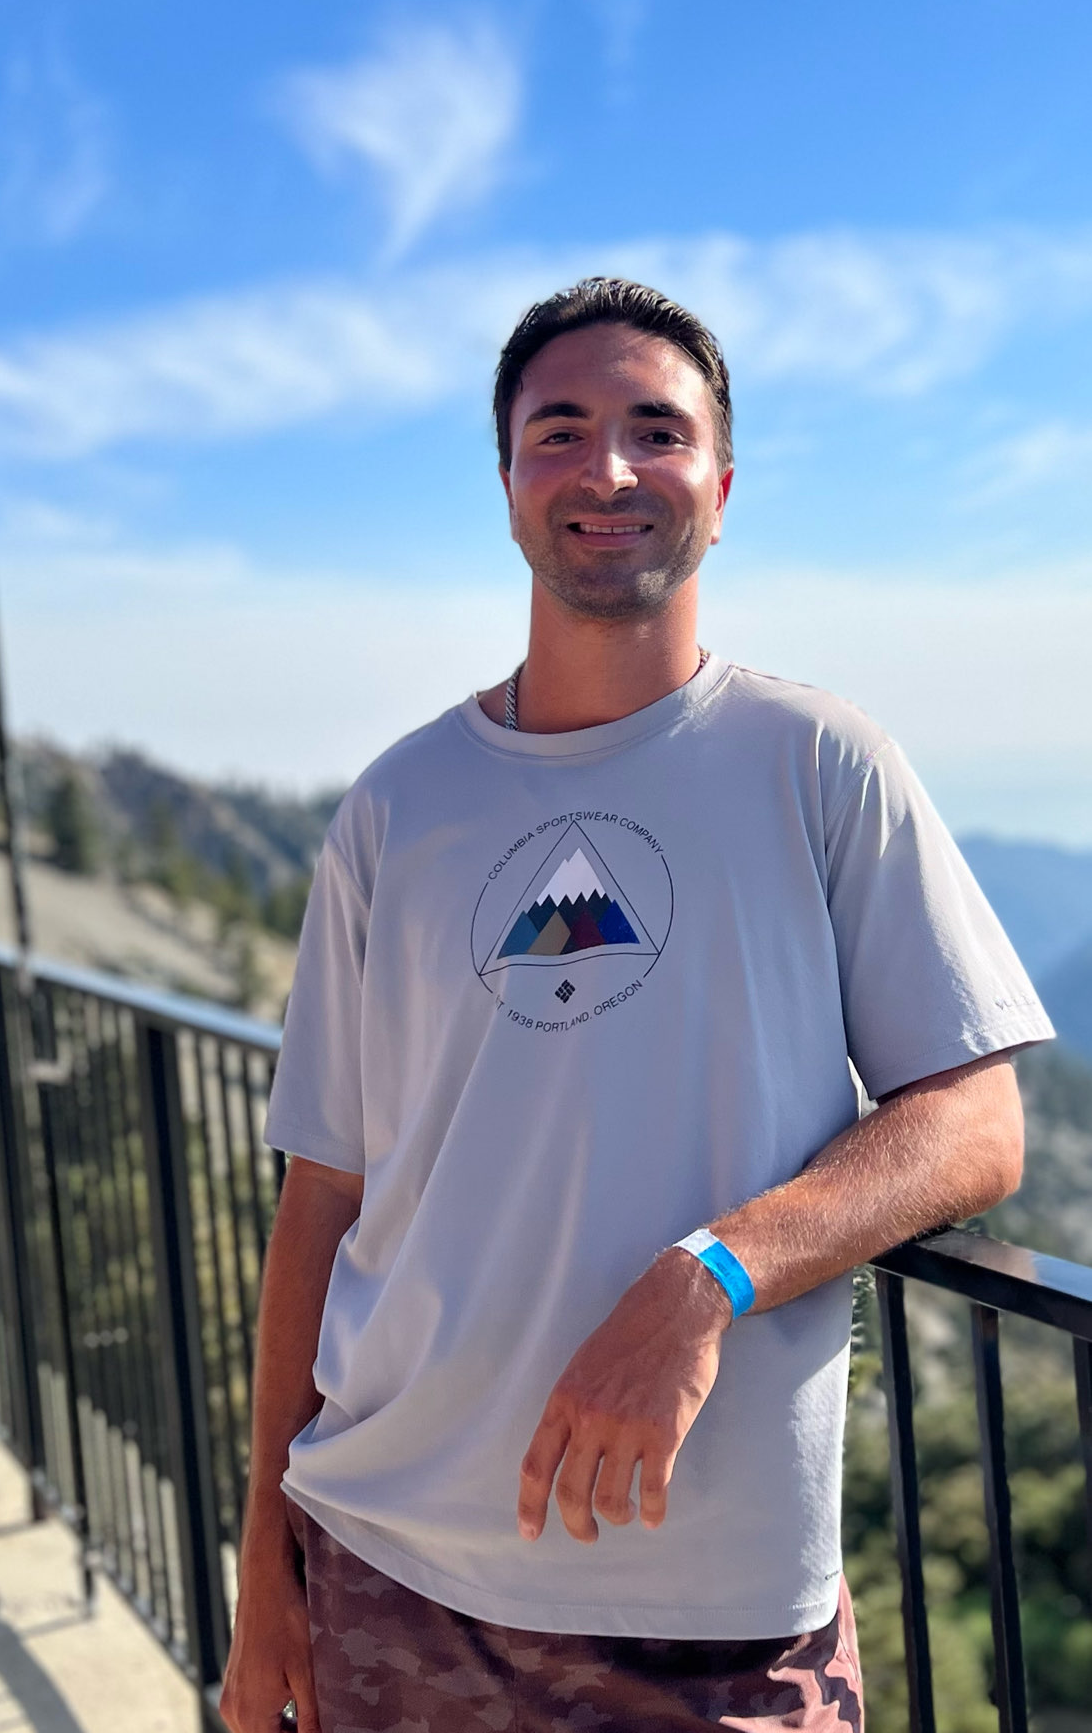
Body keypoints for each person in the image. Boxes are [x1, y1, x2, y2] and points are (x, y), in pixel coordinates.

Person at [220, 278, 1053, 1733]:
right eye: (559, 431)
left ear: (720, 489)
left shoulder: (819, 763)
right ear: (507, 486)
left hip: (715, 1615)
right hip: (387, 1567)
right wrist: (262, 1572)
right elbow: (323, 1197)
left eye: (655, 431)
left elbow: (975, 1122)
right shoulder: (397, 806)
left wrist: (709, 1275)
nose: (606, 469)